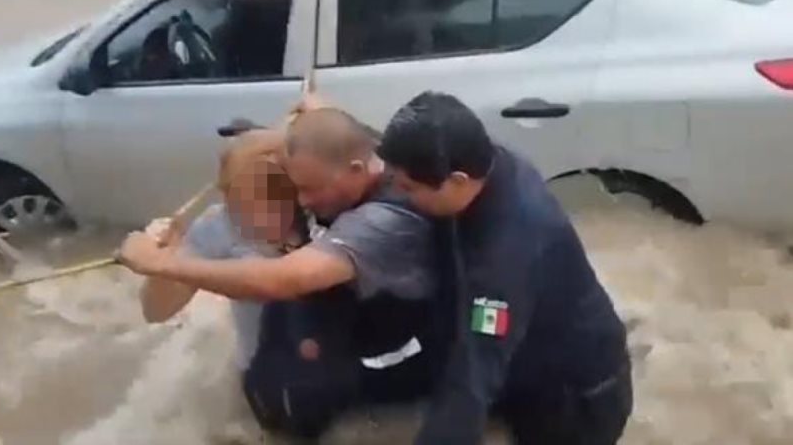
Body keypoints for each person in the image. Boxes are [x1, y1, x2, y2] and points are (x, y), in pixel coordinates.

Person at [119, 108, 443, 433]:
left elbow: (349, 148)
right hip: (270, 374)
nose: (263, 216)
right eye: (246, 203)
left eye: (279, 194)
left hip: (333, 357)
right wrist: (164, 263)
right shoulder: (219, 226)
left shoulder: (322, 208)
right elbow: (155, 312)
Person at [376, 90, 633, 445]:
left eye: (408, 188)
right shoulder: (482, 157)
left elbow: (474, 375)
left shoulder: (506, 254)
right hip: (528, 361)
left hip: (575, 403)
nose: (401, 197)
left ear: (457, 182)